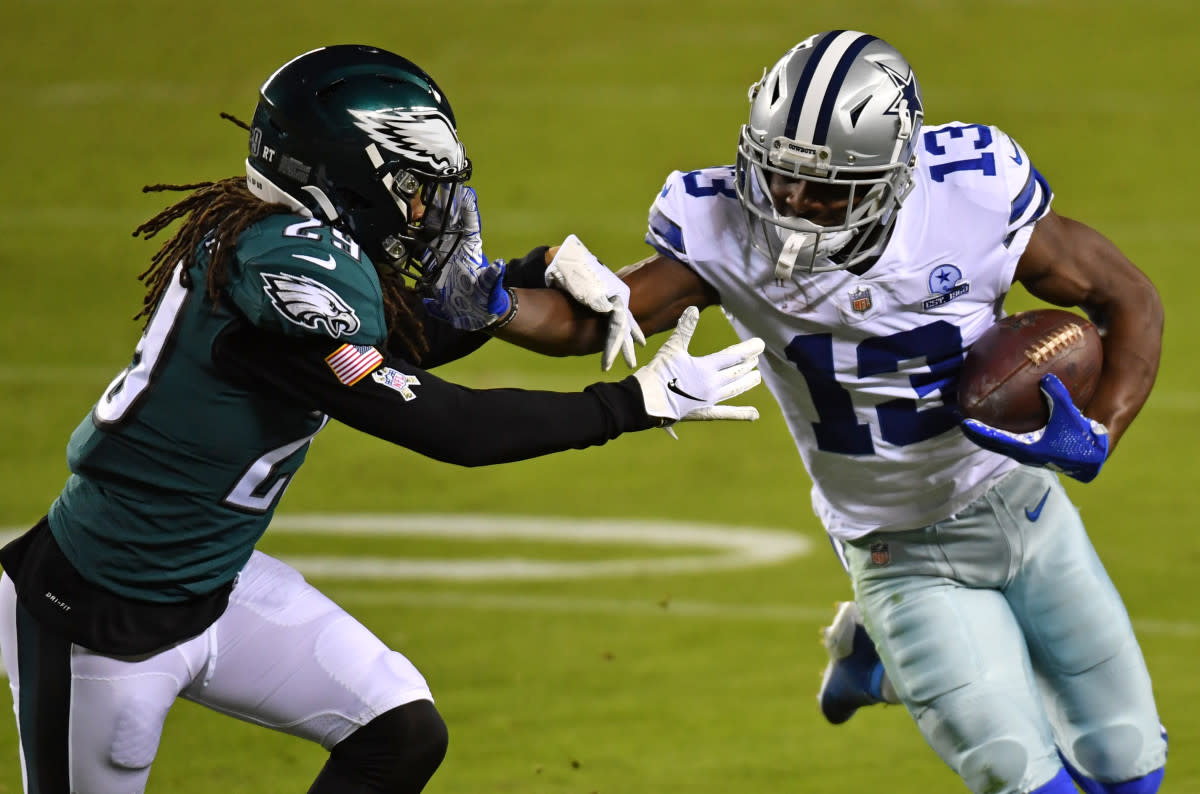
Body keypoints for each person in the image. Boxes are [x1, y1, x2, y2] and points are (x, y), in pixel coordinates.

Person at [0, 44, 766, 794]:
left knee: (398, 730)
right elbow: (448, 427)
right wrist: (629, 405)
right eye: (413, 185)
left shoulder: (283, 240)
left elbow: (402, 341)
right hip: (101, 617)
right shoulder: (286, 280)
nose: (430, 208)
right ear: (346, 176)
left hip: (209, 579)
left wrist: (523, 274)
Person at [426, 29, 1167, 794]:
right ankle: (886, 641)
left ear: (898, 175)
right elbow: (601, 320)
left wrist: (1104, 427)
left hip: (1028, 508)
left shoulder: (971, 195)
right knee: (1019, 777)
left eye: (826, 189)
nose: (792, 202)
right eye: (779, 175)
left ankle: (875, 660)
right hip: (899, 548)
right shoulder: (722, 230)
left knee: (1128, 762)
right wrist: (495, 303)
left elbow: (1127, 296)